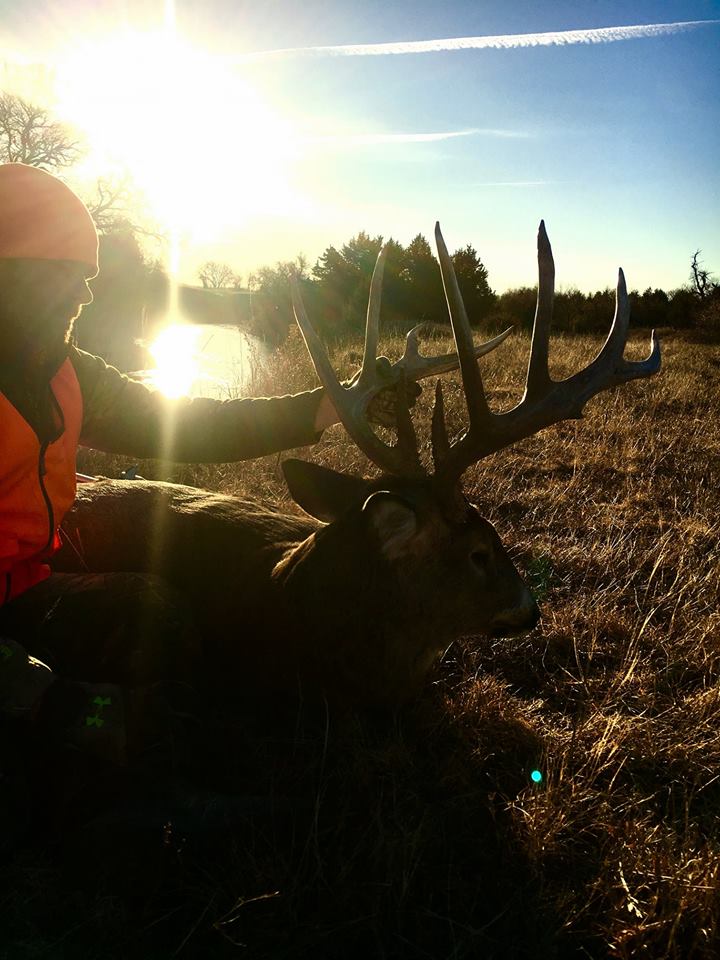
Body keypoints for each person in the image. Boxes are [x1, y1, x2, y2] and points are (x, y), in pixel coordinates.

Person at [0, 163, 410, 778]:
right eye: (64, 275)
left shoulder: (64, 372)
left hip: (26, 582)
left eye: (87, 278)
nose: (83, 296)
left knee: (154, 615)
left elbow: (188, 423)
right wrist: (30, 690)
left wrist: (329, 405)